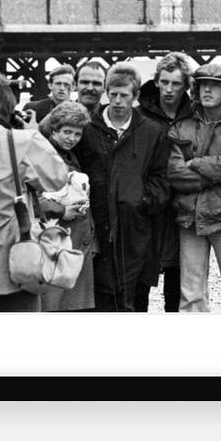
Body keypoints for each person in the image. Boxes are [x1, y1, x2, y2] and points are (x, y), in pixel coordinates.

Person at [73, 62, 170, 311]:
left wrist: (142, 199)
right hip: (97, 223)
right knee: (98, 297)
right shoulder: (88, 128)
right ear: (107, 92)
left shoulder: (152, 131)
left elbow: (161, 176)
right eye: (112, 94)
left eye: (124, 95)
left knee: (135, 296)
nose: (117, 101)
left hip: (135, 225)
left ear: (135, 97)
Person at [167, 63, 221, 312]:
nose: (207, 89)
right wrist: (216, 175)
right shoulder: (182, 125)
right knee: (190, 297)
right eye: (203, 84)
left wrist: (195, 163)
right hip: (189, 219)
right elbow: (174, 173)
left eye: (215, 85)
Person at [0, 72, 68, 312]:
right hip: (15, 265)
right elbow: (57, 179)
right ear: (7, 107)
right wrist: (34, 133)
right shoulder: (21, 141)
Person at [134, 51, 194, 312]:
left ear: (186, 86)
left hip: (182, 202)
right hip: (150, 203)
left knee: (178, 278)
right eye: (164, 82)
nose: (169, 89)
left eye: (176, 84)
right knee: (141, 276)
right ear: (156, 81)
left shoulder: (195, 115)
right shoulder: (140, 115)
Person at [37, 101, 96, 312]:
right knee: (55, 301)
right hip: (55, 238)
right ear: (54, 130)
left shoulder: (70, 155)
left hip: (72, 239)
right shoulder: (43, 155)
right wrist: (61, 210)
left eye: (77, 134)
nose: (72, 138)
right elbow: (33, 198)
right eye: (67, 132)